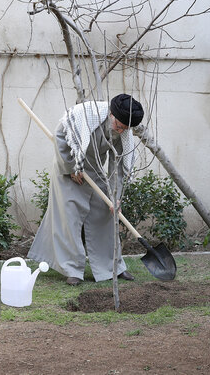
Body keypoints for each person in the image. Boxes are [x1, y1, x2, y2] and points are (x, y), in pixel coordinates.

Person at [28, 94, 144, 285]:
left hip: (95, 171)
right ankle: (71, 269)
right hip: (69, 168)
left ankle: (113, 267)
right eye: (119, 125)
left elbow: (118, 166)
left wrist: (115, 196)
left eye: (125, 128)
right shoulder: (85, 114)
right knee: (69, 218)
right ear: (111, 114)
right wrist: (72, 167)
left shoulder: (122, 132)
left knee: (105, 216)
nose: (121, 130)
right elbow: (59, 137)